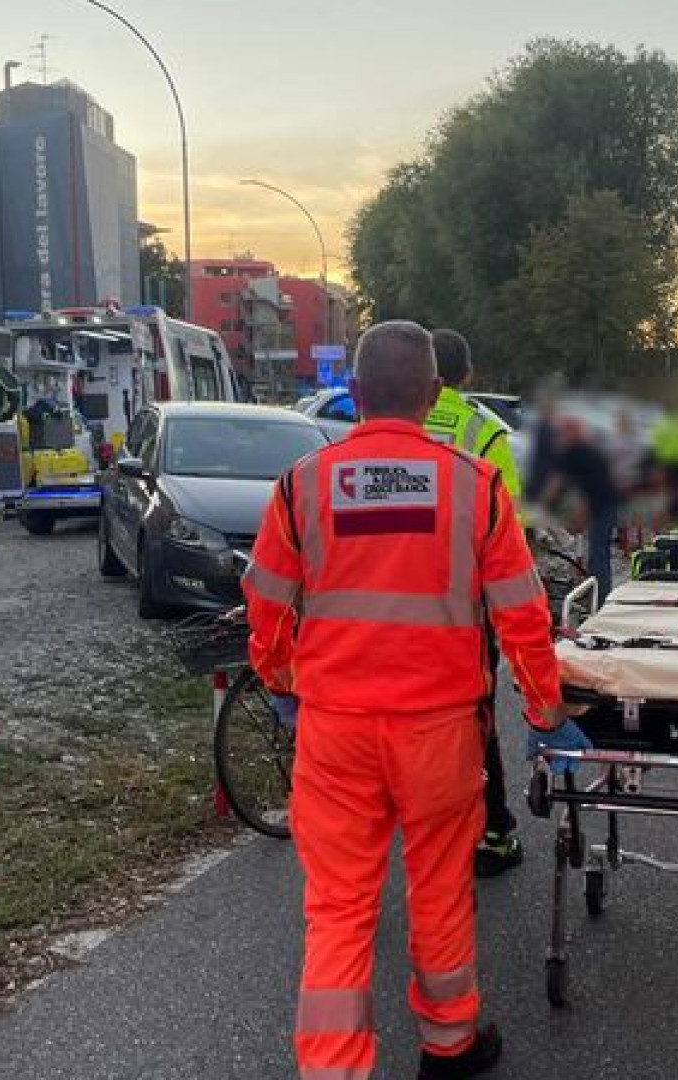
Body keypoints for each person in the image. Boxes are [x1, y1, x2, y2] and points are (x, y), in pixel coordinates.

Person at [243, 320, 588, 1080]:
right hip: (440, 732)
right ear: (435, 394)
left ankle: (334, 1068)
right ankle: (449, 1043)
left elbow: (265, 604)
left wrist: (280, 679)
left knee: (339, 907)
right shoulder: (475, 484)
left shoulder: (303, 484)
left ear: (354, 393)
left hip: (335, 731)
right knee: (438, 887)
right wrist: (545, 710)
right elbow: (522, 616)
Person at [421, 329, 527, 880]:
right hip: (463, 608)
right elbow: (509, 523)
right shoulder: (484, 430)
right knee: (472, 718)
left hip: (385, 605)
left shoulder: (390, 420)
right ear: (465, 374)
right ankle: (493, 831)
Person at [538, 416, 620, 593]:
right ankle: (598, 591)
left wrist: (542, 504)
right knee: (599, 551)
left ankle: (600, 596)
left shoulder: (577, 453)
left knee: (597, 553)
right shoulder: (584, 450)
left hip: (601, 506)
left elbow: (560, 484)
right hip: (607, 504)